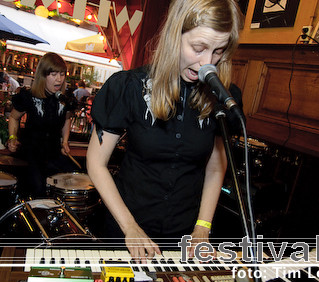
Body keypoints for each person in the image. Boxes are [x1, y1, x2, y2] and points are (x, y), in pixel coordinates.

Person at [87, 0, 243, 262]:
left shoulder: (222, 96)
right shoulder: (129, 87)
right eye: (198, 48)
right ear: (174, 36)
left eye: (218, 51)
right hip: (127, 228)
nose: (208, 63)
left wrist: (202, 227)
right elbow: (96, 162)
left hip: (184, 235)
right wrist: (130, 227)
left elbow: (216, 168)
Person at [7, 52, 75, 198]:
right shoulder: (29, 96)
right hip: (31, 153)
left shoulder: (65, 99)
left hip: (53, 153)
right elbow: (13, 117)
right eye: (54, 74)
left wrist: (65, 141)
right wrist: (12, 137)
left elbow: (67, 120)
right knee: (38, 190)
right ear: (43, 75)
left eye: (62, 74)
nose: (59, 79)